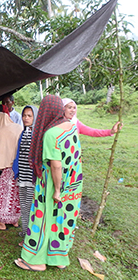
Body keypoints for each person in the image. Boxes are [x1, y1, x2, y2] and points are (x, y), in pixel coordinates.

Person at [15, 95, 82, 271]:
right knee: (62, 220)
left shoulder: (51, 133)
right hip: (74, 183)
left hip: (54, 183)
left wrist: (57, 189)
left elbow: (56, 165)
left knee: (43, 219)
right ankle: (59, 258)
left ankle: (36, 260)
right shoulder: (71, 127)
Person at [0, 112, 23, 230]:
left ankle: (1, 222)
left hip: (9, 167)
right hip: (21, 166)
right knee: (16, 194)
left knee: (4, 193)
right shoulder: (19, 127)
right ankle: (14, 220)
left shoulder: (2, 131)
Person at [12, 105, 38, 243]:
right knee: (24, 205)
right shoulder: (24, 132)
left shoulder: (38, 135)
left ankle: (30, 234)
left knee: (30, 205)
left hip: (32, 178)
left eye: (29, 116)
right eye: (24, 115)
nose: (26, 118)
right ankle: (25, 230)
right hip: (22, 175)